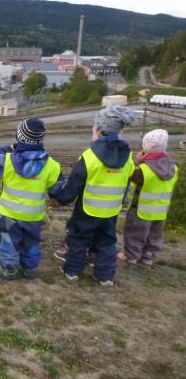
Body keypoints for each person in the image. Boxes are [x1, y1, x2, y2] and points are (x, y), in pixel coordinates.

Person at [53, 106, 135, 286]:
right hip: (111, 211)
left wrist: (61, 199)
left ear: (98, 130)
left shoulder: (90, 157)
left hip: (87, 210)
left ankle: (72, 270)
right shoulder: (128, 156)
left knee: (78, 239)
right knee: (106, 243)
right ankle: (105, 276)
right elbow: (127, 182)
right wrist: (123, 201)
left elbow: (75, 183)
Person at [0, 118, 63, 280]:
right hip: (33, 215)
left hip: (8, 213)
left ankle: (9, 268)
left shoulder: (7, 160)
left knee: (9, 241)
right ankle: (29, 268)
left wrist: (11, 147)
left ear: (19, 136)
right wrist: (55, 198)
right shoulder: (52, 165)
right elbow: (57, 188)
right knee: (31, 242)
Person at [118, 129, 178, 265]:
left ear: (145, 147)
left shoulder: (143, 170)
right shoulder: (173, 168)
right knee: (155, 235)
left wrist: (138, 162)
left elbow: (131, 177)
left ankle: (131, 255)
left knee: (135, 233)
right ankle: (148, 257)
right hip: (161, 210)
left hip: (141, 209)